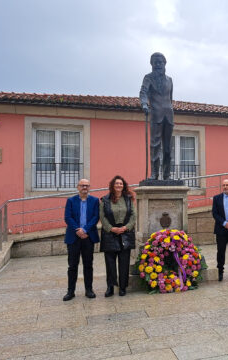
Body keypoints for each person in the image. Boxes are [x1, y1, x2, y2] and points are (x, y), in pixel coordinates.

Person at [63, 178, 100, 301]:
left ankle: (89, 290)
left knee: (88, 265)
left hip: (88, 237)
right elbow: (68, 217)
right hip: (73, 237)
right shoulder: (71, 201)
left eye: (87, 185)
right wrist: (78, 230)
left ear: (89, 187)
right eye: (82, 185)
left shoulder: (95, 201)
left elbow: (96, 217)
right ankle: (70, 291)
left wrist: (85, 230)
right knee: (72, 265)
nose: (85, 187)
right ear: (78, 187)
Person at [100, 176, 137, 297]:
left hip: (125, 233)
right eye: (117, 183)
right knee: (110, 263)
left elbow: (133, 215)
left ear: (123, 185)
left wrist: (126, 227)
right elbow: (102, 216)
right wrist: (111, 228)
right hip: (110, 234)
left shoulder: (128, 199)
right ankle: (110, 287)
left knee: (124, 262)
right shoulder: (105, 200)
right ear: (112, 185)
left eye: (121, 184)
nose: (119, 185)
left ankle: (122, 287)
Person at [139, 52, 174, 180]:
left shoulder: (170, 80)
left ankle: (167, 175)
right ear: (152, 64)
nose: (158, 65)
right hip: (155, 114)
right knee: (155, 146)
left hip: (169, 115)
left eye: (160, 62)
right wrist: (144, 104)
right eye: (155, 62)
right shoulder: (148, 78)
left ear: (165, 63)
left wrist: (170, 109)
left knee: (168, 148)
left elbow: (170, 99)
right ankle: (154, 174)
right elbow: (143, 92)